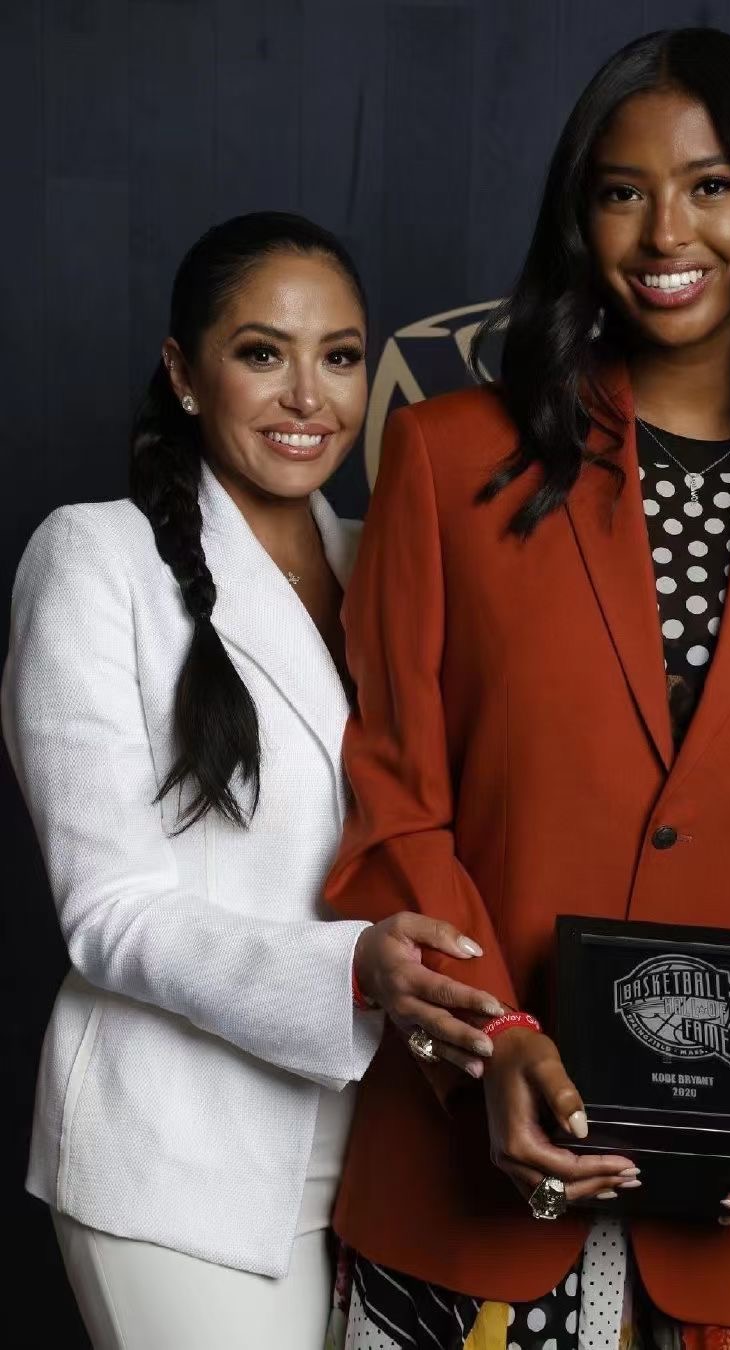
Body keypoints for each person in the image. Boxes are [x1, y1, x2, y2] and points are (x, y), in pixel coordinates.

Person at [325, 28, 730, 1350]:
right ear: (580, 218)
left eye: (711, 185)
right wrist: (492, 1038)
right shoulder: (445, 464)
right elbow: (398, 811)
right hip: (471, 1213)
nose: (666, 231)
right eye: (623, 190)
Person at [2, 211, 500, 1350]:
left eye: (340, 356)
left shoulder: (385, 560)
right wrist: (355, 971)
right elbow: (109, 912)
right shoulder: (95, 558)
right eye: (262, 353)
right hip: (176, 1160)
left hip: (391, 1161)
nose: (308, 397)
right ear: (185, 374)